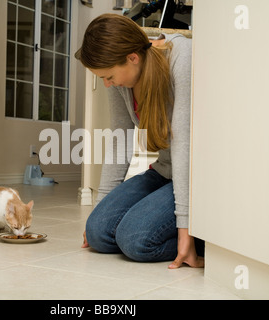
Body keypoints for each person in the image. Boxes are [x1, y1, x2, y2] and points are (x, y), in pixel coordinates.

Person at [75, 13, 204, 269]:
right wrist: (100, 212)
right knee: (98, 233)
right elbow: (120, 141)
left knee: (136, 241)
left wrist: (184, 227)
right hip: (165, 172)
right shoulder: (123, 81)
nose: (107, 84)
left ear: (132, 58)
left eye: (109, 76)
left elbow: (182, 144)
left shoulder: (180, 55)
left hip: (195, 175)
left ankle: (202, 239)